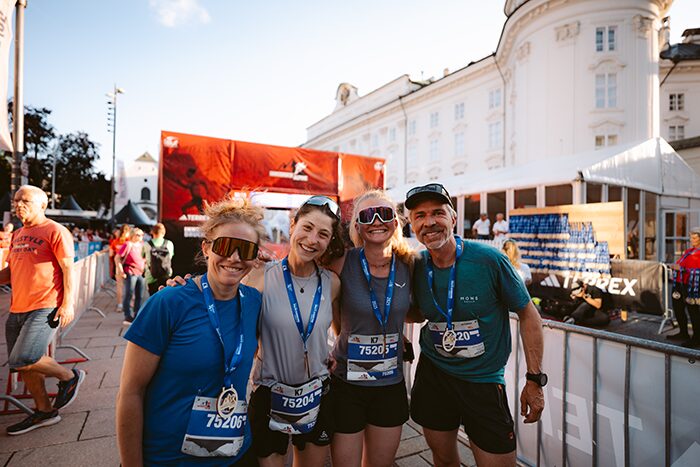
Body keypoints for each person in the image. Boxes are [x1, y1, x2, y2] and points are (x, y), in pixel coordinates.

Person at [404, 183, 545, 467]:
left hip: (482, 381)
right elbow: (418, 314)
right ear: (411, 225)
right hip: (434, 374)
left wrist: (535, 380)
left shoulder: (489, 260)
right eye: (419, 216)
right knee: (443, 459)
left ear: (453, 219)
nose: (429, 222)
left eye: (437, 213)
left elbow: (529, 314)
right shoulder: (415, 265)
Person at [116, 196, 264, 465]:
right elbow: (130, 392)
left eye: (246, 250)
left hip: (236, 454)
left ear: (255, 257)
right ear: (206, 248)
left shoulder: (254, 301)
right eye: (226, 246)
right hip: (171, 458)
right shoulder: (168, 302)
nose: (234, 257)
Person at [245, 195, 343, 467]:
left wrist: (329, 351)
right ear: (292, 225)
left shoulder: (332, 283)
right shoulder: (259, 275)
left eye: (323, 234)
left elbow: (338, 328)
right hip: (270, 392)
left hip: (316, 393)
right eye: (308, 227)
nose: (313, 240)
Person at [327, 190, 415, 467]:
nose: (376, 220)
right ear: (357, 226)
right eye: (367, 215)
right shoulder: (341, 262)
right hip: (346, 383)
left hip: (390, 384)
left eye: (384, 213)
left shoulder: (409, 264)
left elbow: (417, 310)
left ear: (396, 222)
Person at [1, 185, 86, 435]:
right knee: (25, 366)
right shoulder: (17, 235)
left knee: (22, 359)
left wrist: (68, 303)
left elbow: (68, 269)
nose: (18, 205)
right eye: (16, 200)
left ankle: (69, 376)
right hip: (18, 308)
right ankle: (45, 411)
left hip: (45, 306)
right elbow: (11, 272)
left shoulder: (56, 231)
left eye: (25, 200)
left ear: (42, 204)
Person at [668, 228, 700, 348]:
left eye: (695, 237)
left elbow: (692, 268)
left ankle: (697, 338)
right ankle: (683, 333)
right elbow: (681, 263)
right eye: (691, 237)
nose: (692, 240)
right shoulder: (689, 250)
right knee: (678, 308)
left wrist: (677, 267)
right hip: (679, 283)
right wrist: (677, 266)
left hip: (691, 286)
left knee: (693, 312)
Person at [116, 228, 146, 325]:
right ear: (133, 235)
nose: (140, 236)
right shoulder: (128, 244)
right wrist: (120, 270)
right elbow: (117, 257)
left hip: (141, 273)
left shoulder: (142, 245)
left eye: (141, 234)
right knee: (129, 294)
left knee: (140, 295)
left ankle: (137, 315)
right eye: (138, 234)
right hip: (130, 272)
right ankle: (127, 316)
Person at [144, 222, 175, 296]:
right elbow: (171, 256)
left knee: (153, 298)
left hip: (151, 276)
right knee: (165, 297)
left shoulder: (147, 244)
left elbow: (142, 256)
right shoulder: (169, 243)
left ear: (152, 232)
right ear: (163, 232)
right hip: (166, 274)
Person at [110, 224, 131, 312]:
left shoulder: (115, 242)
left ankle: (119, 305)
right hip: (129, 266)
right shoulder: (130, 241)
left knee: (119, 286)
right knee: (130, 286)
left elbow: (111, 254)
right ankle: (130, 303)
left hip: (118, 265)